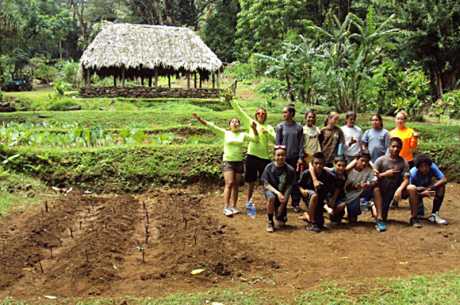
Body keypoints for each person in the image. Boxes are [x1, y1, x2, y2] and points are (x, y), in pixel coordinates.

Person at [192, 113, 258, 217]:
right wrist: (199, 119)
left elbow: (255, 139)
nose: (235, 123)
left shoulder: (242, 135)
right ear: (229, 125)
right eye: (233, 122)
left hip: (239, 162)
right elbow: (211, 126)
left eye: (237, 122)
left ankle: (234, 206)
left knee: (236, 185)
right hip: (228, 161)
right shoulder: (225, 133)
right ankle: (226, 207)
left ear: (239, 125)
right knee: (229, 183)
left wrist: (254, 129)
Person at [230, 99, 276, 210]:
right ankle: (249, 202)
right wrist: (231, 100)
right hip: (252, 156)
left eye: (263, 114)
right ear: (256, 115)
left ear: (266, 116)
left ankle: (269, 202)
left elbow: (275, 140)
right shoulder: (251, 122)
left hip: (264, 157)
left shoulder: (269, 127)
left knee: (266, 181)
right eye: (259, 113)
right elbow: (240, 112)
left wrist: (267, 133)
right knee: (251, 182)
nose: (261, 115)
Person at [374, 137, 422, 228]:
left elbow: (406, 179)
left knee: (412, 188)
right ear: (389, 147)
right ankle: (377, 213)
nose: (396, 149)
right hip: (383, 191)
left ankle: (414, 218)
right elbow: (374, 178)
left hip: (398, 190)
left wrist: (399, 189)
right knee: (382, 217)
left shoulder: (404, 162)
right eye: (393, 146)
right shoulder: (380, 160)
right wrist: (385, 174)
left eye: (398, 147)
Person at [343, 151, 385, 231]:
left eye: (366, 161)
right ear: (356, 160)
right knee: (353, 220)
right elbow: (347, 188)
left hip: (364, 191)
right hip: (351, 195)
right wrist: (355, 186)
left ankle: (379, 217)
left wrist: (368, 184)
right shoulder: (349, 170)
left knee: (376, 189)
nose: (364, 163)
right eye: (362, 160)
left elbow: (374, 180)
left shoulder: (368, 170)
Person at [275, 105, 304, 212]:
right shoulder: (280, 127)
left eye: (285, 112)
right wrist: (278, 157)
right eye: (283, 112)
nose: (283, 114)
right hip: (283, 158)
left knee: (294, 181)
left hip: (294, 158)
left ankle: (295, 203)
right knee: (281, 180)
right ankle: (280, 202)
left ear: (291, 114)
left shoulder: (299, 128)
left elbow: (301, 144)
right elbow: (277, 144)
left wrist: (301, 157)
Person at [298, 152, 336, 232]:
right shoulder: (306, 173)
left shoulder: (328, 176)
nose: (318, 165)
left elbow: (330, 190)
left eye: (321, 163)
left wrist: (328, 203)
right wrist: (302, 191)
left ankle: (307, 215)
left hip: (321, 200)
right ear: (312, 164)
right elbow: (299, 185)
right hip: (308, 197)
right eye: (316, 163)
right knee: (314, 195)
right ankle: (311, 222)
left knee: (320, 223)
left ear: (324, 164)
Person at [261, 145, 296, 233]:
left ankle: (279, 213)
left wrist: (284, 201)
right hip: (271, 190)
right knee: (271, 198)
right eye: (278, 155)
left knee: (281, 222)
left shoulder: (290, 170)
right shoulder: (269, 168)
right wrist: (278, 193)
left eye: (283, 155)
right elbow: (266, 184)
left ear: (286, 156)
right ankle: (270, 221)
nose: (280, 157)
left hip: (282, 192)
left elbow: (289, 186)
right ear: (274, 156)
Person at [408, 154, 448, 225]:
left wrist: (430, 188)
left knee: (441, 187)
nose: (424, 168)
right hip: (416, 191)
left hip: (428, 187)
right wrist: (421, 193)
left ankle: (434, 214)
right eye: (421, 166)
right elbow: (409, 190)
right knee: (419, 214)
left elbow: (444, 179)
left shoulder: (433, 167)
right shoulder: (412, 173)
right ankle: (415, 215)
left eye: (426, 166)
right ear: (417, 168)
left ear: (429, 165)